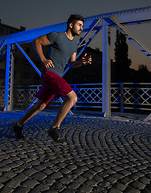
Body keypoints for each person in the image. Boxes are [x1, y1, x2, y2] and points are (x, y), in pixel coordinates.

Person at [12, 14, 92, 142]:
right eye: (79, 25)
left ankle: (18, 124)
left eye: (82, 25)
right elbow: (36, 41)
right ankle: (55, 128)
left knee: (40, 106)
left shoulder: (74, 44)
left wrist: (81, 62)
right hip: (49, 74)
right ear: (71, 25)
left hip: (56, 77)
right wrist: (43, 59)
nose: (81, 28)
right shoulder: (57, 35)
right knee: (72, 98)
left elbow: (71, 64)